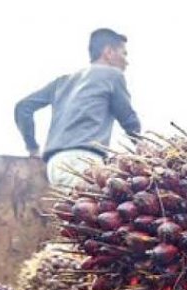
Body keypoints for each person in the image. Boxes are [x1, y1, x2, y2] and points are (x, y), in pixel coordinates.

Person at [14, 28, 141, 189]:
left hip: (55, 164)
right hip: (83, 161)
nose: (126, 61)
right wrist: (141, 146)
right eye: (124, 54)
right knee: (90, 211)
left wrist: (32, 148)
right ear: (109, 52)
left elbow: (23, 107)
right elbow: (128, 118)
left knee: (73, 210)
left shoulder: (62, 82)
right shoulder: (112, 75)